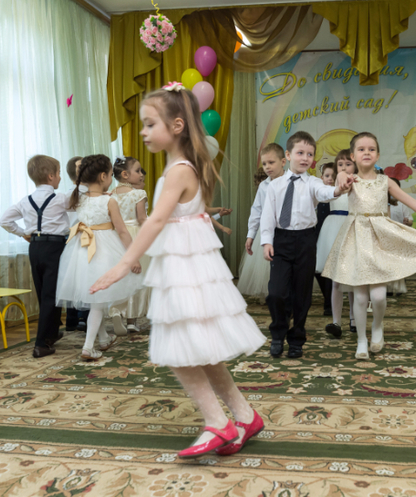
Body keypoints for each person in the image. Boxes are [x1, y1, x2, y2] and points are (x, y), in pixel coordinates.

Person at [91, 83, 266, 458]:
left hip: (187, 267)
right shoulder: (181, 166)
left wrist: (122, 264)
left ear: (176, 126)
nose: (143, 132)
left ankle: (217, 423)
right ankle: (244, 416)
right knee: (199, 348)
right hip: (186, 262)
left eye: (150, 124)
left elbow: (155, 221)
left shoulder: (179, 171)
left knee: (176, 349)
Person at [322, 132, 416, 359]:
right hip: (356, 241)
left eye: (371, 149)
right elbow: (339, 183)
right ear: (353, 156)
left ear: (378, 155)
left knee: (378, 296)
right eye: (361, 149)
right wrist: (340, 174)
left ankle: (377, 327)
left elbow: (414, 203)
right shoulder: (349, 180)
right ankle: (361, 340)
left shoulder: (385, 181)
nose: (366, 153)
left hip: (378, 241)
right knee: (360, 297)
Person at [260, 131, 354, 359]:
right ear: (288, 155)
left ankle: (296, 339)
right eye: (300, 153)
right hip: (281, 240)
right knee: (276, 293)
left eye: (310, 154)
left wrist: (338, 190)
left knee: (302, 294)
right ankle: (278, 333)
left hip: (305, 240)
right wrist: (266, 241)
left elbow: (326, 192)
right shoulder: (275, 185)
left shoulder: (313, 182)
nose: (305, 158)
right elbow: (268, 215)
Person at [56, 155, 143, 361]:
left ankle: (103, 338)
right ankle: (88, 347)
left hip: (81, 251)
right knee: (98, 302)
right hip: (103, 251)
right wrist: (133, 257)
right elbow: (122, 231)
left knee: (97, 298)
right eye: (111, 175)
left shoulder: (79, 198)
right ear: (103, 176)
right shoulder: (109, 201)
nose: (112, 178)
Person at [0, 155, 69, 358]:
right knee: (51, 293)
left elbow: (4, 221)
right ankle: (41, 344)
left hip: (35, 248)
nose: (60, 177)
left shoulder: (25, 201)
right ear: (51, 176)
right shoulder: (60, 198)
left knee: (43, 291)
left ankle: (52, 332)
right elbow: (78, 205)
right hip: (55, 247)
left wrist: (24, 233)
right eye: (58, 173)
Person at [237, 143, 287, 302]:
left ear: (283, 162)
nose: (267, 167)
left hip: (288, 231)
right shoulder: (264, 186)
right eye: (264, 164)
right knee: (267, 265)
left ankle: (287, 296)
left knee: (286, 266)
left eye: (271, 162)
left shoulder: (291, 182)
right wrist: (250, 234)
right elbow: (256, 211)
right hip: (266, 232)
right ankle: (270, 294)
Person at [316, 150, 357, 338]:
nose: (344, 168)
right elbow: (322, 196)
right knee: (336, 280)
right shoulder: (332, 187)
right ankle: (336, 321)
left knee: (353, 279)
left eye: (348, 164)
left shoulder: (358, 185)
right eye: (340, 164)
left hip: (351, 229)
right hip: (333, 231)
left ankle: (354, 318)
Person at [110, 156, 150, 333]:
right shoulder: (138, 194)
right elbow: (141, 219)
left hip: (115, 237)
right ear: (125, 174)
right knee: (136, 277)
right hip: (135, 237)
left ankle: (116, 311)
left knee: (121, 277)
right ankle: (131, 321)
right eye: (138, 170)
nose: (141, 174)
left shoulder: (110, 194)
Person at [63, 156, 88, 333]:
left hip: (69, 239)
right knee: (85, 277)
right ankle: (83, 316)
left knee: (71, 278)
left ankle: (72, 318)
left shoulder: (65, 194)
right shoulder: (88, 194)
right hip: (84, 238)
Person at [314, 162, 335, 316]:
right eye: (327, 175)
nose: (330, 178)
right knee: (317, 269)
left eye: (333, 176)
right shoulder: (318, 194)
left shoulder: (339, 194)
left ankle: (329, 303)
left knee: (331, 269)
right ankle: (328, 297)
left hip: (334, 234)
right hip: (318, 234)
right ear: (321, 178)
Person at [387, 177, 413, 296]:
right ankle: (387, 288)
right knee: (386, 263)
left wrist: (408, 221)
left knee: (398, 262)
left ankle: (398, 287)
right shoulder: (380, 203)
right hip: (385, 237)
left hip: (398, 237)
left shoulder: (402, 204)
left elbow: (410, 219)